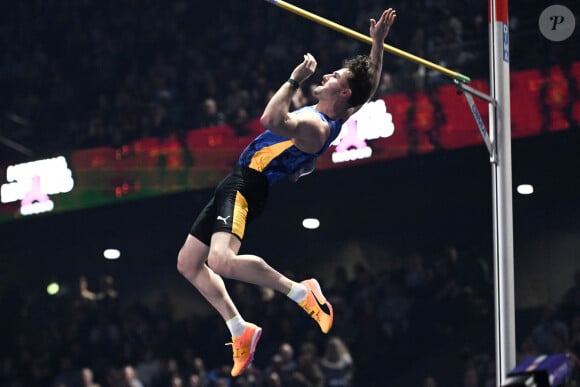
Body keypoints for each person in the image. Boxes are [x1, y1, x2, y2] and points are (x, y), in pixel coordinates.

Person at [176, 7, 397, 378]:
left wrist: (294, 80)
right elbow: (364, 90)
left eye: (333, 76)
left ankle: (300, 291)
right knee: (188, 263)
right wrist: (377, 45)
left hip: (247, 185)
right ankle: (238, 328)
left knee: (221, 262)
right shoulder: (339, 113)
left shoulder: (315, 124)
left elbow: (270, 120)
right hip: (237, 182)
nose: (326, 75)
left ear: (339, 91)